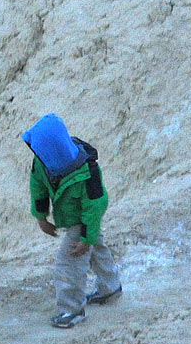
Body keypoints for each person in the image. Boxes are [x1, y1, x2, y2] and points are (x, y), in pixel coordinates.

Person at [22, 114, 122, 328]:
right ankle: (110, 287)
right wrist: (40, 217)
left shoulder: (88, 172)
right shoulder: (42, 162)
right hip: (73, 217)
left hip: (84, 220)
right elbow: (37, 186)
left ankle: (71, 310)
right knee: (96, 246)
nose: (36, 154)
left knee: (69, 263)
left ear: (52, 149)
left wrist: (86, 236)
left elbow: (95, 206)